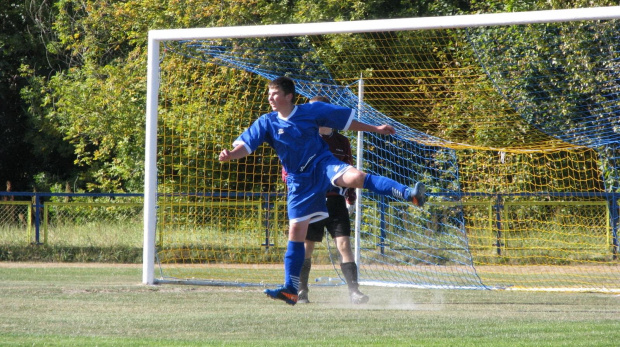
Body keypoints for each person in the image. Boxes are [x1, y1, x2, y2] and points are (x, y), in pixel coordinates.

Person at [218, 76, 425, 306]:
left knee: (356, 177)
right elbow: (245, 146)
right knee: (296, 233)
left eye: (274, 94)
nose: (270, 98)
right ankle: (291, 289)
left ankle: (409, 194)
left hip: (323, 164)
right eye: (269, 94)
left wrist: (375, 128)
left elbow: (346, 123)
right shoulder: (266, 122)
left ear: (288, 96)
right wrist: (231, 154)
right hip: (299, 181)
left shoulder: (312, 110)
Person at [282, 95, 367, 304]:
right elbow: (287, 171)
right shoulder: (301, 137)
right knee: (307, 247)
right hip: (311, 200)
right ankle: (302, 290)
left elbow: (349, 170)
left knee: (344, 245)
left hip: (335, 202)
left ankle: (354, 292)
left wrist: (351, 198)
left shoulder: (342, 142)